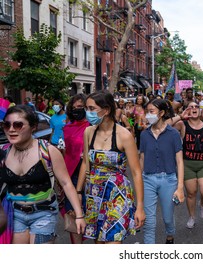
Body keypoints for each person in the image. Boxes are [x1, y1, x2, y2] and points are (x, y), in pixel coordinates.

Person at [0, 105, 86, 244]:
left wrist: (79, 215)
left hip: (44, 213)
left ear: (33, 127)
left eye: (18, 125)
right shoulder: (4, 153)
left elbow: (66, 183)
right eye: (7, 125)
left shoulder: (48, 151)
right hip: (15, 214)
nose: (11, 129)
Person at [76, 90, 145, 243]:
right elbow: (86, 162)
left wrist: (140, 206)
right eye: (87, 109)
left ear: (106, 110)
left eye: (92, 109)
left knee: (113, 242)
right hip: (94, 194)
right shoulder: (88, 132)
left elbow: (136, 172)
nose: (88, 113)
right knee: (99, 243)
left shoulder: (124, 135)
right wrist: (78, 191)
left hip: (117, 194)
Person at [139, 99, 184, 244]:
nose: (148, 115)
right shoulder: (144, 135)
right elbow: (142, 159)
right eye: (147, 112)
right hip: (148, 179)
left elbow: (179, 162)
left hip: (169, 180)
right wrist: (139, 182)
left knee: (168, 218)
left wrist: (180, 187)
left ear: (162, 113)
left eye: (151, 112)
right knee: (149, 221)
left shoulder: (173, 134)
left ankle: (170, 235)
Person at [171, 101, 203, 229]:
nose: (193, 108)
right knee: (191, 193)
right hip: (187, 164)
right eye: (190, 107)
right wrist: (181, 115)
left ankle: (202, 204)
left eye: (196, 106)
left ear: (200, 110)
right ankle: (192, 216)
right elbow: (165, 127)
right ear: (187, 110)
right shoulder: (182, 124)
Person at [62, 93, 90, 244]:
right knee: (73, 213)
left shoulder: (93, 127)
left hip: (90, 175)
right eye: (74, 108)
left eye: (80, 107)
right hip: (71, 175)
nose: (77, 110)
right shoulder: (68, 128)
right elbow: (67, 151)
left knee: (93, 214)